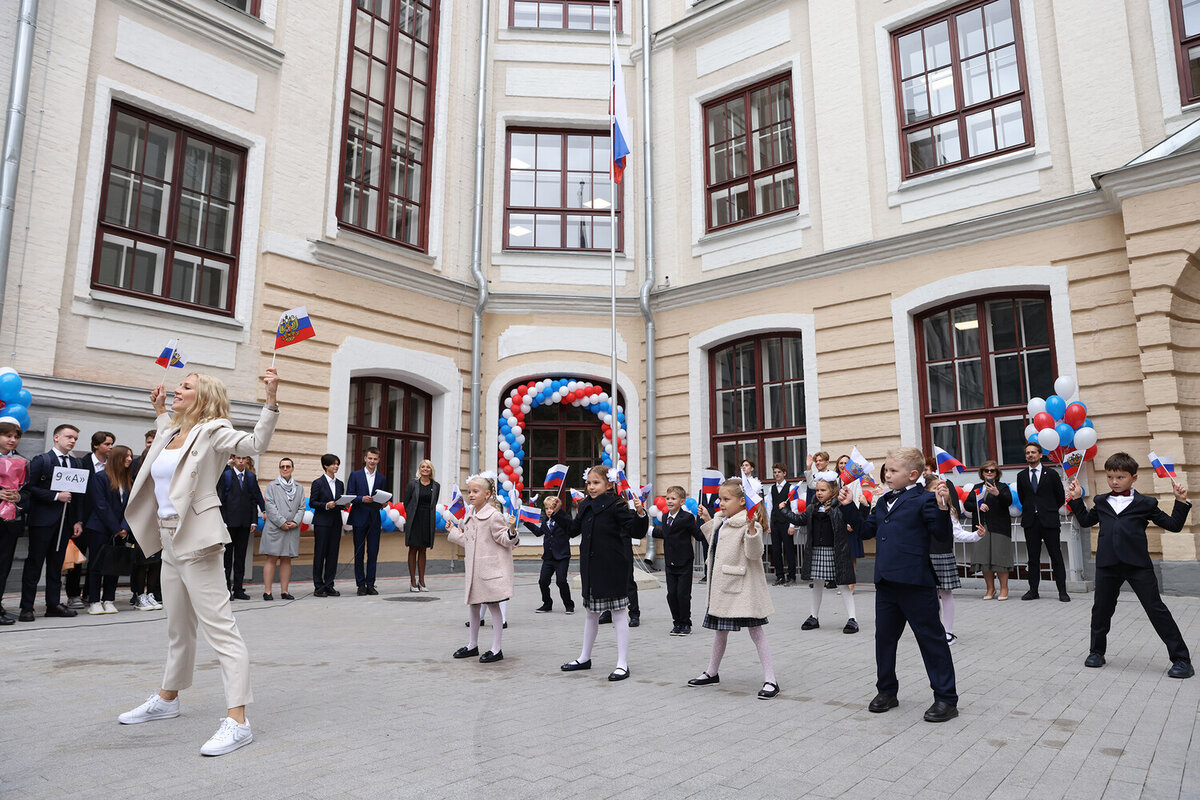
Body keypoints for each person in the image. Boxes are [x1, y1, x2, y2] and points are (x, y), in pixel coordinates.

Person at [117, 367, 279, 757]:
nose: (177, 390)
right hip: (167, 537)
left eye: (185, 387)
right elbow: (163, 458)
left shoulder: (216, 430)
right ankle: (168, 698)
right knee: (178, 626)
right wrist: (159, 409)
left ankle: (238, 721)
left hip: (199, 540)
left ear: (203, 396)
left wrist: (271, 400)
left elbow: (255, 442)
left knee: (221, 630)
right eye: (178, 386)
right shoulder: (173, 430)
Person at [841, 447, 958, 723]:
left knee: (931, 640)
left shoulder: (925, 500)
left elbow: (941, 535)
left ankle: (946, 698)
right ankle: (887, 691)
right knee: (884, 640)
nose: (887, 474)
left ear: (912, 475)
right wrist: (848, 508)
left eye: (893, 470)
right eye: (886, 469)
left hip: (915, 583)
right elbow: (867, 530)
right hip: (886, 583)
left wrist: (943, 507)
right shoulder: (883, 502)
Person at [1068, 453, 1193, 679]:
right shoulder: (1101, 501)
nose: (1114, 481)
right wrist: (1076, 499)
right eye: (1110, 477)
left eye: (1120, 477)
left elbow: (1173, 525)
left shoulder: (1146, 503)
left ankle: (1182, 659)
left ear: (1133, 478)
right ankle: (1096, 652)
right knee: (1101, 610)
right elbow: (1086, 521)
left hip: (1137, 565)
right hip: (1107, 565)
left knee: (1156, 610)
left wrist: (1180, 501)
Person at [690, 479, 778, 698]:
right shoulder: (722, 520)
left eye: (726, 499)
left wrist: (751, 530)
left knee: (756, 632)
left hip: (744, 589)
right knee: (720, 631)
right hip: (724, 587)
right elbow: (718, 546)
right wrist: (709, 520)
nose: (721, 503)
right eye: (720, 498)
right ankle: (712, 672)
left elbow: (754, 554)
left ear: (742, 501)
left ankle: (771, 680)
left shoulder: (750, 523)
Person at [560, 466, 647, 681]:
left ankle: (622, 664)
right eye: (589, 483)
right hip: (591, 570)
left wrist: (640, 513)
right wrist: (559, 512)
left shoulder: (616, 505)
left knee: (618, 614)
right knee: (591, 614)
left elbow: (636, 531)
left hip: (613, 568)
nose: (591, 487)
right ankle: (584, 658)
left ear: (609, 485)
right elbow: (573, 530)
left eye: (596, 483)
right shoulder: (585, 505)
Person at [447, 472, 518, 663]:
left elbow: (505, 540)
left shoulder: (493, 515)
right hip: (474, 570)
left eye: (475, 491)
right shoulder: (470, 514)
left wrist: (512, 531)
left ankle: (496, 648)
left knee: (494, 606)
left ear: (487, 494)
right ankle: (472, 645)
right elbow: (468, 541)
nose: (470, 495)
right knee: (474, 605)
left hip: (489, 570)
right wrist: (453, 532)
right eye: (469, 491)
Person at [778, 473, 859, 634]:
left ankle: (852, 619)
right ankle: (813, 617)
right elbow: (799, 519)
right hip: (816, 550)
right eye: (817, 490)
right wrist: (784, 510)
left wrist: (862, 505)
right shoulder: (812, 507)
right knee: (817, 584)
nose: (819, 493)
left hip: (836, 551)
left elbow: (856, 518)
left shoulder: (840, 507)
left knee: (843, 584)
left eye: (823, 490)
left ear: (833, 490)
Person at [18, 423, 84, 620]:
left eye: (75, 438)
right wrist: (55, 496)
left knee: (56, 565)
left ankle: (53, 604)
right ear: (56, 437)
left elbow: (79, 497)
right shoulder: (42, 461)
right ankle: (27, 607)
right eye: (69, 437)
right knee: (34, 563)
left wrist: (77, 521)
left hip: (64, 523)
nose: (72, 441)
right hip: (42, 521)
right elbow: (29, 488)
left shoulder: (76, 464)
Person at [84, 444, 134, 615]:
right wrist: (115, 527)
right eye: (126, 456)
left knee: (114, 564)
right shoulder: (100, 477)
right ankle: (94, 600)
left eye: (130, 456)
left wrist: (124, 528)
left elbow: (130, 507)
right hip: (99, 528)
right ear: (116, 458)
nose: (129, 459)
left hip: (120, 530)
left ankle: (109, 599)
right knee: (96, 565)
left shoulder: (128, 481)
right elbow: (101, 506)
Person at [1015, 442, 1069, 602]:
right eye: (1027, 453)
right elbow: (1023, 497)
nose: (1030, 455)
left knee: (1056, 556)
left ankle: (1062, 591)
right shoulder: (1021, 476)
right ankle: (1033, 591)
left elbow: (1060, 497)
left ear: (1040, 455)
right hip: (1031, 521)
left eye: (1033, 452)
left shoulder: (1051, 474)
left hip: (1049, 520)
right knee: (1033, 558)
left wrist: (1047, 509)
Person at [68, 430, 114, 609]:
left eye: (111, 444)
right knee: (77, 558)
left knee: (97, 559)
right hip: (83, 519)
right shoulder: (82, 464)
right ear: (96, 445)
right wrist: (77, 519)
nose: (110, 447)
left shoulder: (111, 467)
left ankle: (89, 593)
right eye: (107, 444)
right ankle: (73, 594)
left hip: (102, 521)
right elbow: (77, 494)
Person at [963, 460, 1013, 601]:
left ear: (997, 473)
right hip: (981, 528)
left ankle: (1004, 588)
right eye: (987, 470)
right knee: (984, 559)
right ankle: (990, 588)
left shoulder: (1002, 487)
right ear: (982, 473)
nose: (989, 472)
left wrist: (997, 493)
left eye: (992, 470)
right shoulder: (977, 487)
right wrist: (978, 506)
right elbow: (967, 504)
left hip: (999, 527)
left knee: (1000, 559)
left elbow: (1008, 501)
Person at [217, 454, 264, 601]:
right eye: (238, 458)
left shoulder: (250, 477)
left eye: (244, 458)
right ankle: (226, 590)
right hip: (229, 523)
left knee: (240, 558)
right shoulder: (226, 476)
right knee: (227, 558)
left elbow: (254, 499)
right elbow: (220, 499)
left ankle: (238, 589)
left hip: (244, 523)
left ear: (248, 460)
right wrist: (222, 521)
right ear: (233, 460)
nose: (241, 461)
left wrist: (254, 521)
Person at [260, 458, 304, 601]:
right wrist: (282, 522)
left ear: (292, 468)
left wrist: (296, 521)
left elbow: (302, 507)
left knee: (286, 558)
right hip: (275, 527)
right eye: (282, 466)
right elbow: (270, 506)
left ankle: (285, 591)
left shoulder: (299, 487)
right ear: (279, 468)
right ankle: (267, 591)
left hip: (292, 529)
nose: (285, 469)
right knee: (271, 557)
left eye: (288, 466)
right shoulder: (272, 486)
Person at [658, 486, 701, 635]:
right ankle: (676, 622)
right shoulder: (664, 517)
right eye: (668, 498)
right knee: (671, 594)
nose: (669, 501)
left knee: (683, 594)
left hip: (684, 562)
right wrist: (648, 529)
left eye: (673, 498)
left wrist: (705, 521)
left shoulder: (687, 518)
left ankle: (685, 623)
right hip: (670, 562)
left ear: (682, 501)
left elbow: (698, 535)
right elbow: (665, 534)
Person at [131, 429, 164, 610]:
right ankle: (139, 595)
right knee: (142, 564)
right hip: (141, 526)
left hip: (158, 524)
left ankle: (151, 593)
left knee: (155, 563)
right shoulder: (138, 480)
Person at [525, 494, 574, 614]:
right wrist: (526, 521)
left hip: (562, 556)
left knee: (561, 581)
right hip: (548, 557)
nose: (549, 511)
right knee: (543, 581)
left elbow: (569, 525)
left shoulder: (564, 519)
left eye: (551, 508)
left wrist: (559, 514)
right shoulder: (546, 521)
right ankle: (547, 603)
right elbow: (538, 532)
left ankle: (569, 605)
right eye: (547, 509)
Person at [347, 447, 386, 596]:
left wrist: (384, 503)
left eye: (375, 459)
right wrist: (361, 498)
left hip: (374, 519)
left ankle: (370, 584)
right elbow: (350, 495)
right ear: (365, 458)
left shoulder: (381, 478)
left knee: (373, 552)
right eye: (370, 458)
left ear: (379, 460)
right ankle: (360, 584)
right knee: (359, 553)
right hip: (359, 518)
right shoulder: (355, 475)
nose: (372, 461)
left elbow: (382, 497)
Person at [0, 420, 26, 624]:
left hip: (11, 521)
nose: (12, 440)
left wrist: (19, 498)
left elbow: (29, 492)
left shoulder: (23, 462)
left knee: (4, 564)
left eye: (16, 437)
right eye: (7, 435)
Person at [309, 454, 345, 597]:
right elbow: (312, 502)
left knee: (333, 554)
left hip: (336, 522)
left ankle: (329, 584)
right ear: (325, 466)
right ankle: (318, 586)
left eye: (337, 464)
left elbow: (339, 503)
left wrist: (344, 504)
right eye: (333, 464)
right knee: (320, 554)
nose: (336, 466)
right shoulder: (318, 483)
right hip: (322, 523)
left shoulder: (340, 484)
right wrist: (326, 505)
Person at [401, 459, 439, 592]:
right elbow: (406, 502)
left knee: (423, 550)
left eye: (428, 467)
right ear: (419, 469)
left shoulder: (436, 485)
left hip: (427, 520)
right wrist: (412, 515)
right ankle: (412, 582)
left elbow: (433, 503)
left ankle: (422, 581)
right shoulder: (413, 484)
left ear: (431, 470)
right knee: (413, 549)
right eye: (423, 467)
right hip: (415, 520)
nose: (425, 469)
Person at [765, 463, 797, 586]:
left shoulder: (790, 488)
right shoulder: (771, 489)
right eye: (775, 472)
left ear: (784, 473)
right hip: (775, 523)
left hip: (786, 523)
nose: (776, 474)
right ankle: (779, 576)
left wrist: (792, 525)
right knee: (776, 550)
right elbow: (770, 507)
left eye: (779, 472)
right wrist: (768, 524)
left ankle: (792, 576)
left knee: (789, 550)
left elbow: (794, 507)